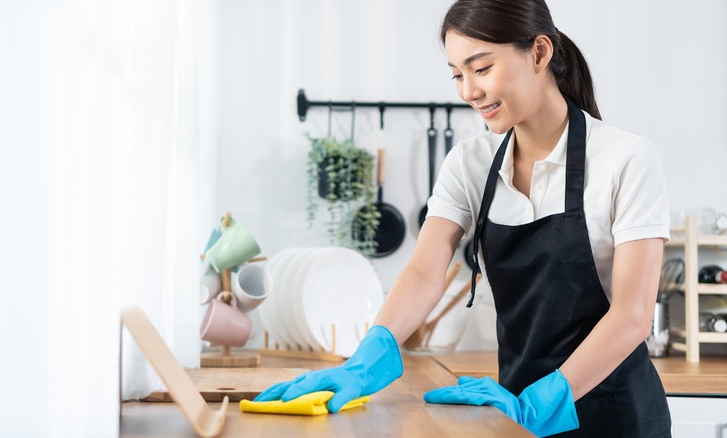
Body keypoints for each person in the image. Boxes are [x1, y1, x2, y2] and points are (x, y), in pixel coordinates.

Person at [256, 0, 672, 436]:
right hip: (511, 412)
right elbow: (423, 271)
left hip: (615, 415)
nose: (468, 91)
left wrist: (541, 402)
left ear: (539, 52)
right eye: (457, 74)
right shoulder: (470, 163)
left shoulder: (626, 159)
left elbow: (632, 315)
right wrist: (364, 361)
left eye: (482, 68)